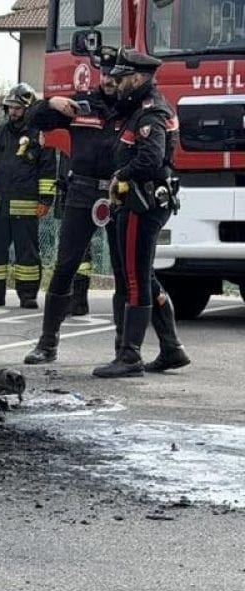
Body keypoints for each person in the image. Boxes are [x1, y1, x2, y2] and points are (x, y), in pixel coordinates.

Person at [22, 50, 126, 364]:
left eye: (115, 76)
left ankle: (124, 349)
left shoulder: (133, 110)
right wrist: (50, 103)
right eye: (105, 74)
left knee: (123, 272)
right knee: (65, 266)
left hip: (118, 193)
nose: (108, 80)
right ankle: (47, 343)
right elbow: (33, 120)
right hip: (81, 192)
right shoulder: (82, 105)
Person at [93, 48, 189, 378]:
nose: (115, 84)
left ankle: (130, 356)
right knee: (144, 275)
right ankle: (172, 348)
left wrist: (122, 175)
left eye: (121, 79)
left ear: (138, 78)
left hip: (141, 203)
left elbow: (150, 159)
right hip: (142, 201)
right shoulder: (138, 108)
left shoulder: (150, 113)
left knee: (134, 278)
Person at [0, 83, 57, 309]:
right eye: (10, 107)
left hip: (25, 206)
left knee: (27, 254)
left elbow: (47, 170)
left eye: (18, 108)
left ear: (28, 109)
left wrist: (45, 200)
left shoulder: (40, 136)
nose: (13, 112)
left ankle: (28, 295)